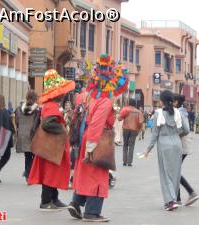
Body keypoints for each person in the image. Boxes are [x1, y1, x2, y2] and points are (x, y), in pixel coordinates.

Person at [68, 54, 129, 222]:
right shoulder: (105, 101)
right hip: (98, 138)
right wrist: (91, 146)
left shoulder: (89, 96)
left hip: (86, 135)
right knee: (98, 173)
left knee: (84, 172)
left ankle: (76, 202)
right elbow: (97, 123)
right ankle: (92, 212)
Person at [28, 69, 75, 210]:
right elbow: (47, 123)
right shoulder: (51, 106)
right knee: (50, 174)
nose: (64, 94)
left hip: (52, 147)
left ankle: (54, 199)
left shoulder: (50, 105)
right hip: (51, 147)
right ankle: (46, 201)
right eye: (62, 91)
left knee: (53, 173)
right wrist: (62, 130)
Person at [143, 90, 189, 211]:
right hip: (177, 144)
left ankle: (171, 200)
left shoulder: (159, 114)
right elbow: (187, 129)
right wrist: (177, 135)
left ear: (162, 101)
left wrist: (148, 149)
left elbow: (154, 134)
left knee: (165, 174)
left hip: (164, 145)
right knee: (175, 173)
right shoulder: (177, 112)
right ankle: (173, 199)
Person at [173, 95, 199, 206]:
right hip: (183, 146)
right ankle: (178, 198)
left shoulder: (179, 112)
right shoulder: (182, 111)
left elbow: (185, 130)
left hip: (181, 146)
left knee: (175, 172)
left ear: (175, 102)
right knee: (175, 171)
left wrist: (175, 136)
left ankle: (191, 192)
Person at [15, 90, 39, 183]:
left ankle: (28, 175)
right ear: (35, 98)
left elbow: (17, 122)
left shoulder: (19, 109)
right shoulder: (37, 110)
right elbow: (38, 123)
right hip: (33, 135)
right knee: (34, 156)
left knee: (27, 156)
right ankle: (30, 174)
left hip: (22, 135)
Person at [118, 99, 144, 167]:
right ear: (135, 104)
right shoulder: (138, 112)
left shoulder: (126, 110)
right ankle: (129, 162)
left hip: (126, 129)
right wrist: (139, 129)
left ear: (129, 103)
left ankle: (124, 161)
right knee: (131, 146)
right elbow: (141, 122)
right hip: (134, 129)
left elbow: (119, 119)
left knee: (125, 145)